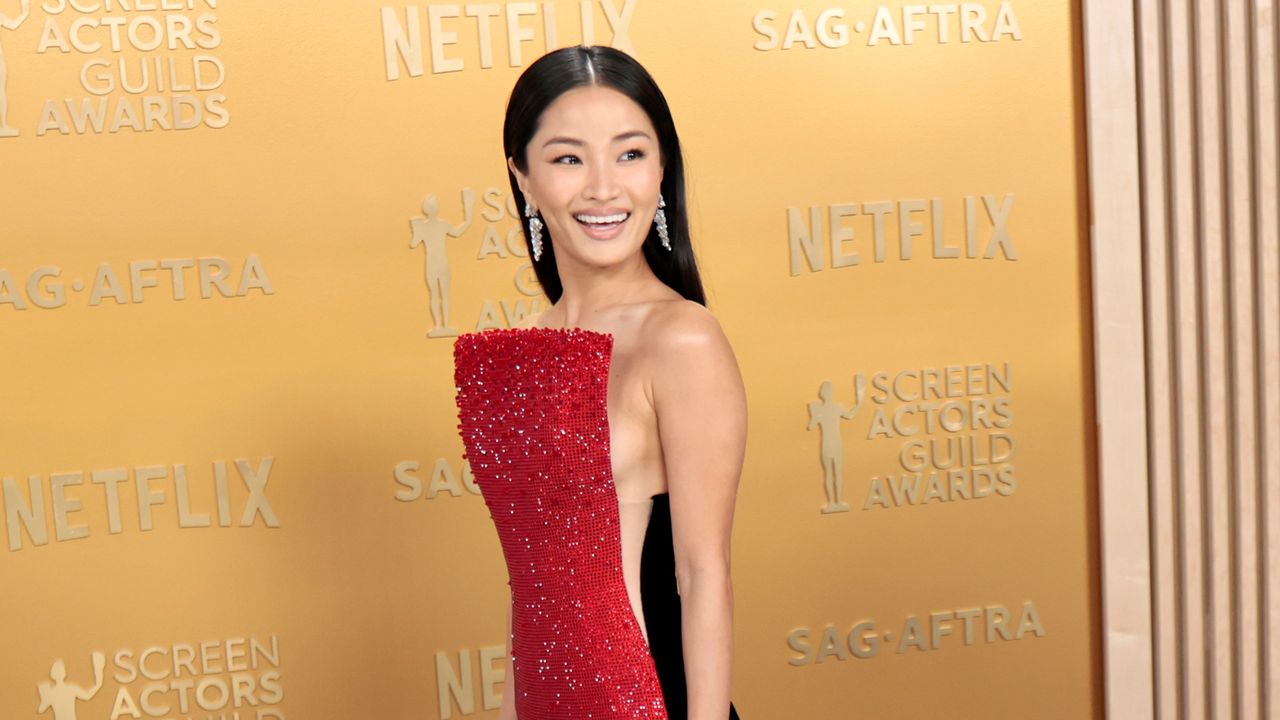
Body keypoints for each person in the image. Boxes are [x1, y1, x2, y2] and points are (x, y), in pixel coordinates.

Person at [452, 45, 746, 720]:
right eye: (567, 158)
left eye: (631, 153)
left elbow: (702, 577)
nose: (604, 187)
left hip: (647, 700)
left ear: (661, 167)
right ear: (522, 178)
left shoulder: (681, 338)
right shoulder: (523, 347)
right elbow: (529, 581)